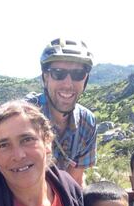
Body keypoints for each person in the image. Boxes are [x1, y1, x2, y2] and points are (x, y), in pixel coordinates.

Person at [25, 38, 97, 187]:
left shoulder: (86, 122)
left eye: (78, 74)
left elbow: (74, 181)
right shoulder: (23, 116)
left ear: (86, 80)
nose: (68, 84)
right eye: (58, 73)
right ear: (45, 78)